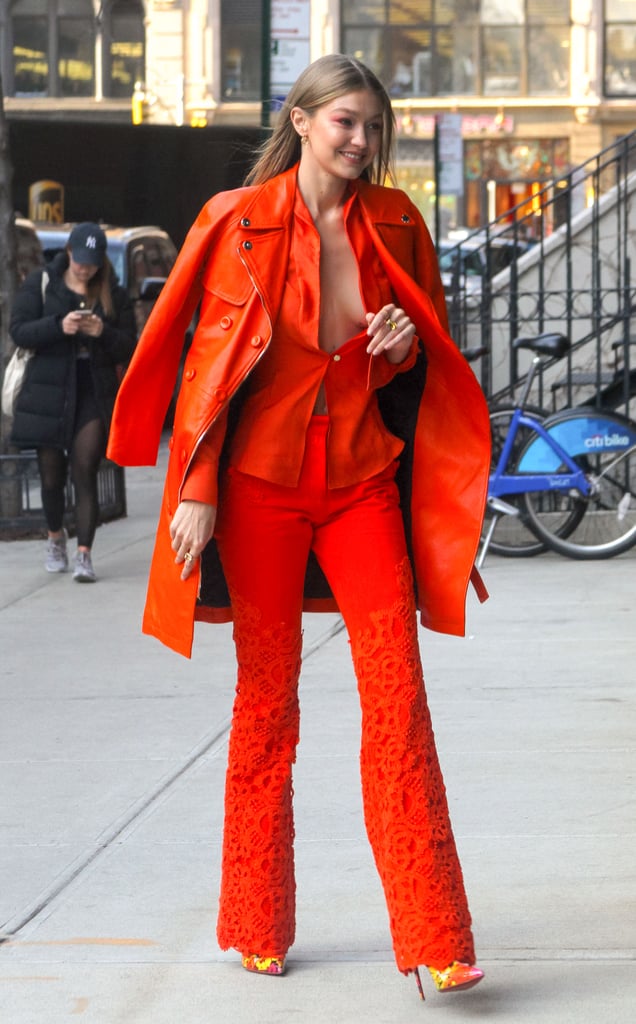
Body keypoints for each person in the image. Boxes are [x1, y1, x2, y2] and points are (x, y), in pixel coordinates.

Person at [107, 55, 490, 1000]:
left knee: (399, 698)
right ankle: (256, 921)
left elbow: (423, 365)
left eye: (372, 126)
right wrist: (194, 485)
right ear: (304, 118)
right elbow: (207, 364)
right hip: (257, 492)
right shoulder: (234, 223)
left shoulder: (397, 222)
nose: (360, 142)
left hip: (362, 484)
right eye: (345, 123)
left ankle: (437, 937)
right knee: (267, 704)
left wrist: (399, 353)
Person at [10, 223, 136, 582]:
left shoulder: (112, 291)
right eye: (80, 262)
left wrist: (103, 333)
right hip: (49, 391)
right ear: (68, 254)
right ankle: (54, 538)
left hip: (92, 391)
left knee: (85, 468)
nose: (86, 269)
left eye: (92, 264)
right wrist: (57, 325)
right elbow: (19, 329)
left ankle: (84, 554)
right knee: (51, 475)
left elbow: (131, 344)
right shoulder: (41, 283)